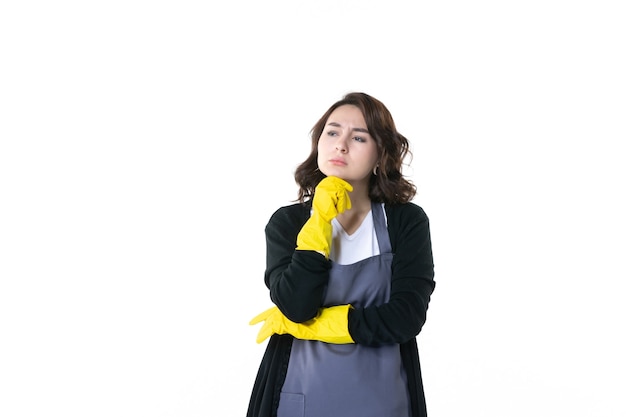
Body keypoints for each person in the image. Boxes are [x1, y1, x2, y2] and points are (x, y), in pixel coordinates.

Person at [246, 92, 436, 417]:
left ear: (380, 156)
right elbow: (296, 306)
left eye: (359, 137)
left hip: (384, 402)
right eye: (332, 132)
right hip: (300, 399)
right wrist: (319, 221)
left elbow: (407, 317)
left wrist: (318, 326)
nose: (341, 144)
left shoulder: (405, 221)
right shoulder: (288, 223)